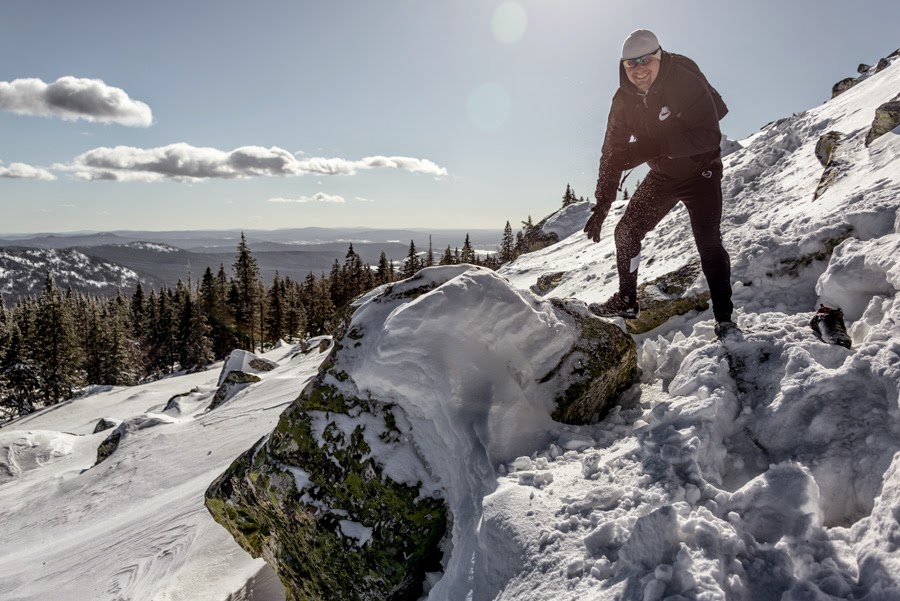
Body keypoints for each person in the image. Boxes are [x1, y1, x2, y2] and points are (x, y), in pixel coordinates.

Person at [583, 29, 738, 340]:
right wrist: (602, 202)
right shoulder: (623, 100)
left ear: (659, 57)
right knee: (626, 230)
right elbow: (612, 151)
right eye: (630, 64)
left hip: (702, 171)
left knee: (707, 241)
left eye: (645, 60)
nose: (639, 69)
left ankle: (724, 318)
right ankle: (627, 300)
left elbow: (709, 135)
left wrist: (651, 147)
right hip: (665, 176)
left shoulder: (683, 80)